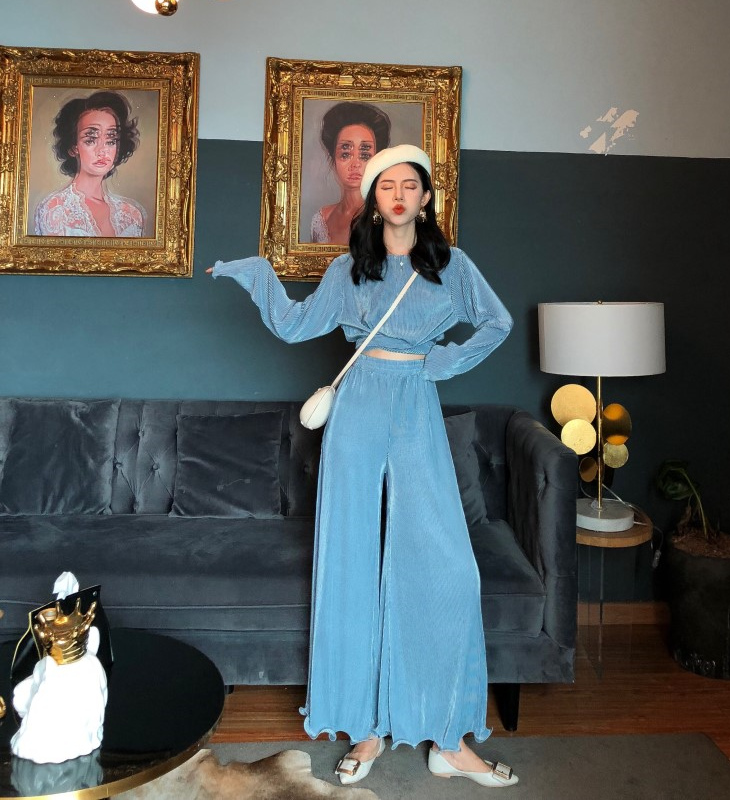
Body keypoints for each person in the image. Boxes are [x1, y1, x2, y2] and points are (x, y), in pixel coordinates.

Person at [208, 144, 518, 789]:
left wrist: (442, 362)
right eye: (386, 186)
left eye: (410, 186)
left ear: (425, 199)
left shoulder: (453, 267)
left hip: (416, 405)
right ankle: (366, 729)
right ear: (372, 200)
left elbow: (497, 322)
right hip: (357, 411)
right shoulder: (347, 271)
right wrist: (258, 274)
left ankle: (448, 739)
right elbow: (294, 326)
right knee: (353, 563)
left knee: (447, 569)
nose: (398, 195)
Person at [34, 90, 145, 237]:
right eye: (90, 140)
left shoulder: (131, 215)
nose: (102, 150)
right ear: (73, 147)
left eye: (111, 140)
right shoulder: (55, 209)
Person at [309, 101, 390, 245]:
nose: (355, 164)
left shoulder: (388, 217)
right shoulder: (321, 219)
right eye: (345, 154)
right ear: (333, 158)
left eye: (365, 155)